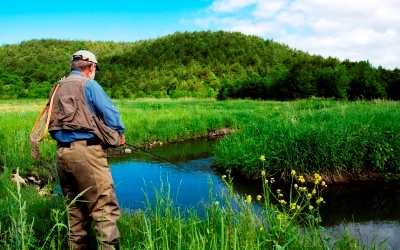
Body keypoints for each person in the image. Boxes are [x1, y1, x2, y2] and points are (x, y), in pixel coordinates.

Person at [48, 50, 126, 250]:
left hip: (62, 155)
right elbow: (110, 112)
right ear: (91, 68)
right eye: (95, 69)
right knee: (104, 210)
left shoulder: (56, 87)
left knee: (76, 211)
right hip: (87, 153)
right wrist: (119, 133)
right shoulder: (89, 84)